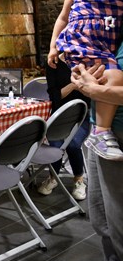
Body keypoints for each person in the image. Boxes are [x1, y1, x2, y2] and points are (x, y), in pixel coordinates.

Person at [48, 0, 123, 161]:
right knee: (113, 77)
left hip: (103, 48)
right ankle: (101, 131)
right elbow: (62, 18)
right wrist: (53, 46)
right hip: (77, 44)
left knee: (111, 78)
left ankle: (99, 131)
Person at [71, 57, 123, 261]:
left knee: (119, 225)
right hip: (100, 133)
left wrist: (97, 90)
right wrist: (82, 77)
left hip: (117, 135)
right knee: (102, 220)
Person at [38, 57, 90, 200]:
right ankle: (53, 177)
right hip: (59, 117)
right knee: (55, 144)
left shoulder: (84, 59)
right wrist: (74, 85)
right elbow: (54, 96)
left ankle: (79, 179)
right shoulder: (53, 63)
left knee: (73, 144)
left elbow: (91, 93)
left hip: (81, 116)